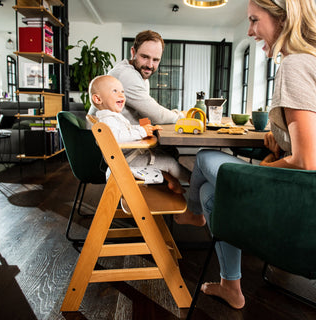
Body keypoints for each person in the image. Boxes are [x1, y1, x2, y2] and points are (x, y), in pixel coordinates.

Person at [176, 0, 316, 309]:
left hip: (303, 209)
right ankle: (230, 285)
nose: (250, 30)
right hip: (308, 206)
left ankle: (193, 213)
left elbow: (307, 161)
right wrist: (283, 136)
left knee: (205, 156)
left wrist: (262, 171)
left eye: (254, 20)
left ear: (284, 17)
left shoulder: (294, 64)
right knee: (215, 192)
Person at [89, 74, 191, 193]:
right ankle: (193, 180)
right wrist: (142, 131)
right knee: (170, 162)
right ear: (98, 99)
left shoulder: (112, 116)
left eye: (122, 91)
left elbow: (126, 129)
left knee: (161, 155)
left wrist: (145, 128)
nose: (121, 94)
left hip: (128, 156)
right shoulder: (108, 120)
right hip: (128, 160)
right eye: (115, 91)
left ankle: (173, 182)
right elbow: (116, 138)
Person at [88, 30, 185, 125]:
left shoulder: (141, 75)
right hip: (104, 139)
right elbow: (157, 116)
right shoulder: (126, 75)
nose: (150, 65)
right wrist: (181, 116)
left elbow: (146, 114)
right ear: (133, 52)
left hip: (119, 134)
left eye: (155, 60)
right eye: (145, 57)